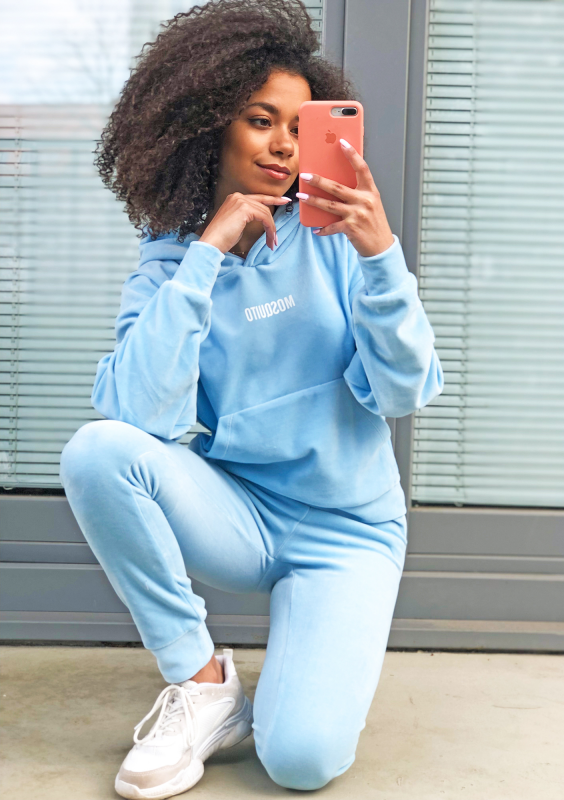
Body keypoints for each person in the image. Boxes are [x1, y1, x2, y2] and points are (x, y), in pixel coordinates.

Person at [59, 0, 444, 797]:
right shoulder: (170, 260)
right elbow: (137, 412)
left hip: (345, 530)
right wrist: (207, 252)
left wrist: (381, 257)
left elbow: (402, 390)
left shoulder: (340, 238)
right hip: (238, 514)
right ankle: (203, 684)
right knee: (97, 452)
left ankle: (296, 682)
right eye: (261, 120)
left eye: (300, 127)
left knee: (300, 761)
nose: (284, 145)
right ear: (206, 128)